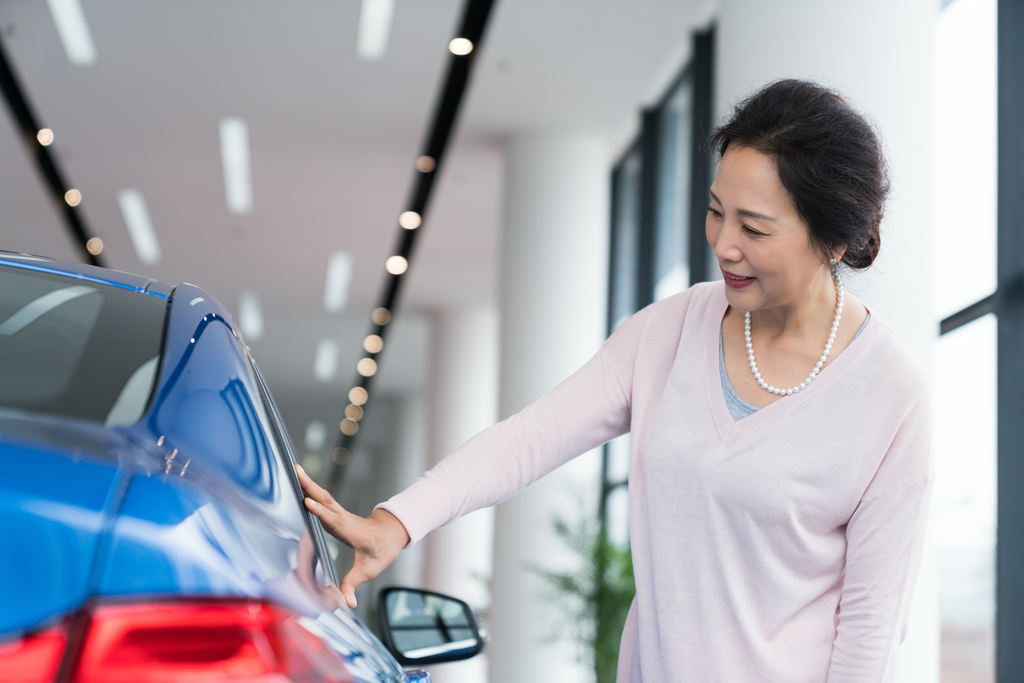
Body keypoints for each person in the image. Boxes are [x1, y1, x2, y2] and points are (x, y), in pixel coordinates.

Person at [297, 79, 932, 682]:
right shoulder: (671, 331)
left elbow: (870, 633)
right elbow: (527, 440)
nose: (725, 245)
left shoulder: (891, 396)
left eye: (755, 228)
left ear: (832, 242)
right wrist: (397, 522)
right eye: (717, 213)